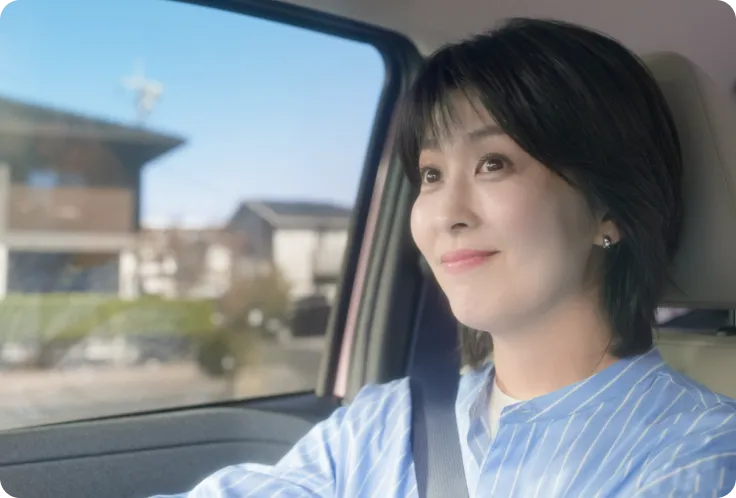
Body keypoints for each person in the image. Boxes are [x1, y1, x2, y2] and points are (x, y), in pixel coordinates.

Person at [153, 18, 736, 497]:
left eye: (493, 163)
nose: (445, 213)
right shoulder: (384, 422)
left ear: (608, 209)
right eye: (431, 174)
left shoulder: (699, 457)